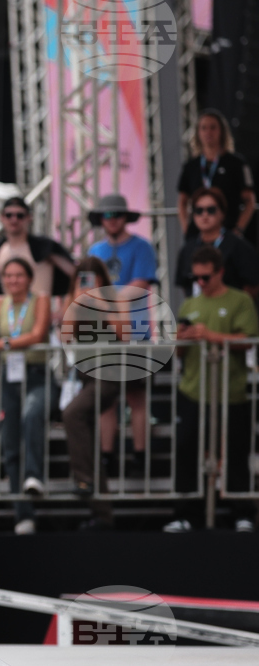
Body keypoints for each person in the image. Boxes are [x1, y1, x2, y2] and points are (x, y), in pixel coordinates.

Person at [167, 246, 259, 532]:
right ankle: (187, 514)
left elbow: (248, 339)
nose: (201, 283)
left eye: (206, 277)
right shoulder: (188, 305)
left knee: (234, 451)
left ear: (220, 272)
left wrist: (210, 335)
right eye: (197, 279)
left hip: (229, 391)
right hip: (193, 389)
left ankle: (242, 511)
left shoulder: (240, 300)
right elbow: (178, 353)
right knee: (186, 450)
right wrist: (181, 340)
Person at [0, 258, 50, 535]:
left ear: (29, 278)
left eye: (18, 275)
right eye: (8, 275)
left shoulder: (40, 300)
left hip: (36, 372)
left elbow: (38, 333)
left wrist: (3, 343)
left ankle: (34, 476)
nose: (13, 280)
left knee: (32, 414)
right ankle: (22, 513)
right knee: (10, 442)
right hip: (9, 376)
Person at [87, 193, 157, 475]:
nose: (112, 220)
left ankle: (140, 456)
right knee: (106, 399)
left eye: (116, 214)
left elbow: (140, 285)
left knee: (136, 397)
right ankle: (107, 457)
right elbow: (87, 290)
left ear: (125, 218)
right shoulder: (95, 250)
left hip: (136, 331)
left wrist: (105, 299)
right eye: (107, 215)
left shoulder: (142, 247)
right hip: (104, 333)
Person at [61, 257, 124, 530]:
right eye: (82, 278)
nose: (87, 283)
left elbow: (124, 332)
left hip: (110, 373)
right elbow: (64, 336)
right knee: (87, 435)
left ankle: (84, 479)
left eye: (92, 278)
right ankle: (103, 513)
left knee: (72, 414)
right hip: (85, 376)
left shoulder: (114, 298)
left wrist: (100, 302)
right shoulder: (73, 300)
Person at [177, 109, 256, 241]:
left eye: (213, 127)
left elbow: (250, 200)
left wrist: (238, 229)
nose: (208, 132)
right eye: (203, 128)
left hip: (228, 232)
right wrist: (186, 228)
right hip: (198, 235)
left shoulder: (237, 163)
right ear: (198, 133)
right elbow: (182, 201)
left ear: (221, 131)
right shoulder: (191, 166)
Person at [174, 188, 259, 300]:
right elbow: (185, 286)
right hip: (199, 313)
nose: (204, 215)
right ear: (193, 215)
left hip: (230, 312)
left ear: (222, 213)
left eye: (211, 210)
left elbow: (252, 285)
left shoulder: (239, 246)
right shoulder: (187, 249)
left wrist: (235, 307)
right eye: (199, 210)